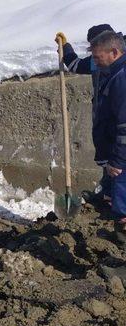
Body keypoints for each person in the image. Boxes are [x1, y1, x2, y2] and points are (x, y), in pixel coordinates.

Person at [56, 24, 116, 203]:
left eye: (96, 46)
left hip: (118, 115)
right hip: (102, 116)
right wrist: (65, 47)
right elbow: (75, 65)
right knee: (107, 155)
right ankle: (108, 194)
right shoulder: (96, 60)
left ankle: (116, 201)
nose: (95, 55)